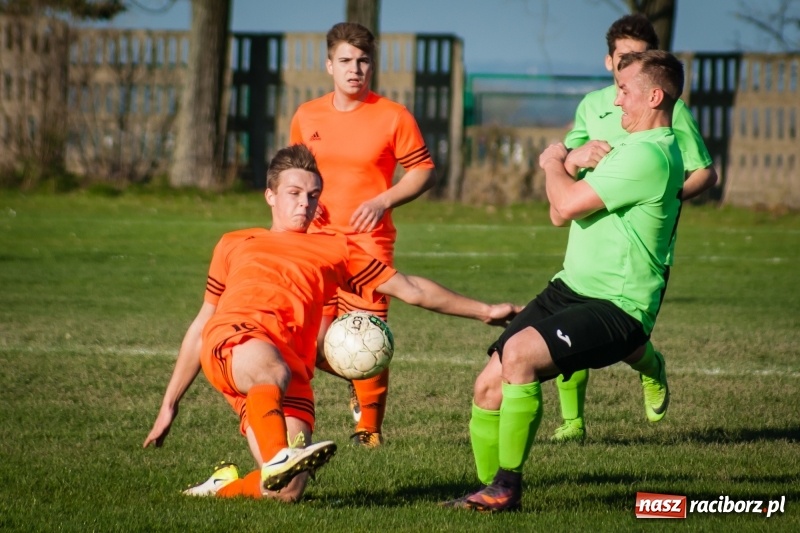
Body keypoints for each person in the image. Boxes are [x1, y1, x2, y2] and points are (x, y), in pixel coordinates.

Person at [143, 144, 518, 502]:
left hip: (290, 368)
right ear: (270, 195)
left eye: (313, 196)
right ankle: (279, 456)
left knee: (285, 491)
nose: (304, 204)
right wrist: (169, 403)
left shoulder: (336, 251)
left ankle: (223, 486)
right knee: (270, 372)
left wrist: (485, 310)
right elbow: (203, 323)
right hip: (237, 339)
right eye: (293, 193)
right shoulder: (235, 242)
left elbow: (412, 289)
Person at [443, 50, 686, 512]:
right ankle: (485, 489)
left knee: (519, 355)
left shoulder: (650, 155)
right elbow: (561, 212)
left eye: (625, 91)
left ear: (655, 96)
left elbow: (567, 203)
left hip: (617, 306)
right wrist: (569, 168)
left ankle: (505, 489)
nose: (617, 101)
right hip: (569, 289)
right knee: (487, 386)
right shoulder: (629, 147)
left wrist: (554, 159)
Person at [551, 14, 719, 443]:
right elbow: (571, 157)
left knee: (619, 334)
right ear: (609, 61)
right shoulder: (593, 104)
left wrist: (661, 197)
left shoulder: (669, 111)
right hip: (592, 225)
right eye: (623, 56)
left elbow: (704, 171)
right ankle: (572, 421)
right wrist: (570, 159)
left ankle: (651, 366)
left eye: (639, 57)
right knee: (567, 321)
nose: (628, 64)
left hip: (638, 244)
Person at [289, 22, 437, 448]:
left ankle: (369, 428)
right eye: (346, 61)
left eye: (363, 61)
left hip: (369, 243)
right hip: (316, 243)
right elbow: (294, 172)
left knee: (367, 334)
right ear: (329, 65)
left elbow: (423, 170)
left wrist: (383, 201)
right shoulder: (307, 115)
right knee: (309, 343)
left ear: (372, 65)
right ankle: (351, 379)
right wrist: (300, 209)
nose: (355, 69)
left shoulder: (393, 116)